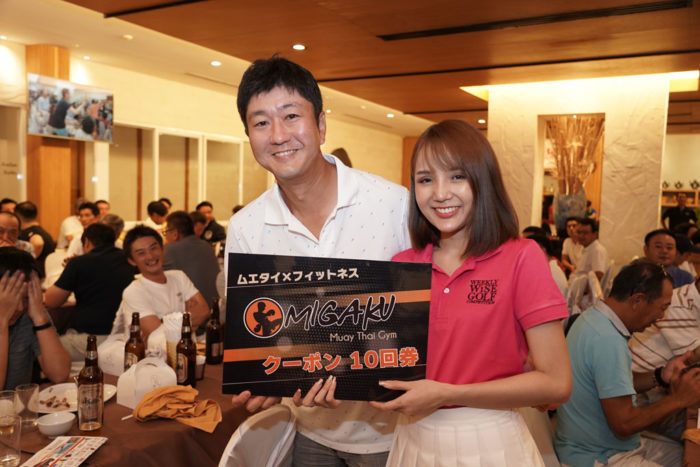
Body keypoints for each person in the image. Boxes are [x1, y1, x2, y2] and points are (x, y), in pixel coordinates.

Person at [226, 56, 411, 466]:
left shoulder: (394, 204)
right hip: (306, 429)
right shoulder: (245, 227)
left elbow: (429, 314)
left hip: (394, 431)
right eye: (261, 122)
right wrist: (266, 380)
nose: (278, 135)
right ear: (249, 136)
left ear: (321, 125)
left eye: (291, 116)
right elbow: (257, 332)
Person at [367, 119, 571, 466]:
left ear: (483, 180)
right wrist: (332, 384)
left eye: (457, 176)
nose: (440, 193)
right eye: (425, 179)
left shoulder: (521, 257)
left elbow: (556, 383)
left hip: (490, 440)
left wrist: (447, 393)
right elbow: (381, 366)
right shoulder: (402, 265)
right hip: (412, 440)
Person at [555, 260, 700, 466]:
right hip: (599, 456)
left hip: (596, 446)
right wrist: (679, 399)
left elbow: (614, 384)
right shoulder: (608, 340)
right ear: (637, 300)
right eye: (662, 308)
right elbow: (624, 424)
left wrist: (660, 375)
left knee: (686, 454)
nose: (660, 317)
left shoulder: (593, 319)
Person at [45, 224, 135, 360]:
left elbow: (51, 301)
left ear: (86, 242)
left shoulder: (78, 263)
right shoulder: (128, 259)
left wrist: (71, 270)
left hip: (92, 340)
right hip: (127, 339)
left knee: (45, 345)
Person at [116, 226, 208, 342]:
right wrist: (188, 319)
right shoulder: (133, 292)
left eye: (153, 248)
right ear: (132, 261)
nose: (150, 256)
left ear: (163, 249)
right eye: (141, 253)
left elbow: (204, 310)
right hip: (152, 353)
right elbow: (159, 337)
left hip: (187, 348)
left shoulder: (179, 276)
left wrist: (166, 325)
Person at [0, 247, 70, 389]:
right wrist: (2, 322)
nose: (20, 308)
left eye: (26, 298)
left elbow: (60, 374)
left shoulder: (31, 312)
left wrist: (39, 318)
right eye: (12, 299)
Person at [163, 211, 220, 305]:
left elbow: (156, 280)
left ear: (175, 234)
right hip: (215, 306)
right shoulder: (206, 246)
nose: (165, 236)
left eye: (166, 232)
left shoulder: (170, 249)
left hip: (193, 309)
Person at [15, 201, 56, 278]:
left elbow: (38, 243)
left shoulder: (31, 233)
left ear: (18, 215)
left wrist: (27, 260)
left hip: (35, 278)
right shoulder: (43, 232)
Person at [573, 217, 608, 281]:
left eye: (585, 233)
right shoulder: (586, 248)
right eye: (579, 232)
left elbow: (598, 277)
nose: (580, 236)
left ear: (595, 234)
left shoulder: (597, 250)